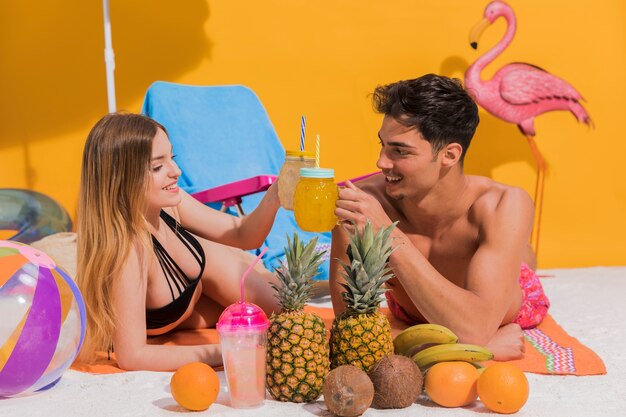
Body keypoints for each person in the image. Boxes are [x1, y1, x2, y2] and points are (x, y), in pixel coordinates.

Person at [330, 74, 550, 361]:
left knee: (518, 261)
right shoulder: (365, 202)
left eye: (400, 151)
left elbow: (475, 329)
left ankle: (519, 252)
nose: (381, 162)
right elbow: (348, 332)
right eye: (382, 145)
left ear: (449, 155)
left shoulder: (503, 204)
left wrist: (388, 234)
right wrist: (474, 351)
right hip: (410, 308)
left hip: (507, 300)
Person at [76, 113, 280, 371]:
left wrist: (275, 196)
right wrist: (230, 349)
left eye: (172, 158)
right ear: (121, 178)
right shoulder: (129, 249)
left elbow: (242, 234)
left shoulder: (169, 203)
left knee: (286, 309)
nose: (176, 172)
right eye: (157, 166)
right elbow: (132, 357)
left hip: (211, 276)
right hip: (197, 296)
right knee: (278, 317)